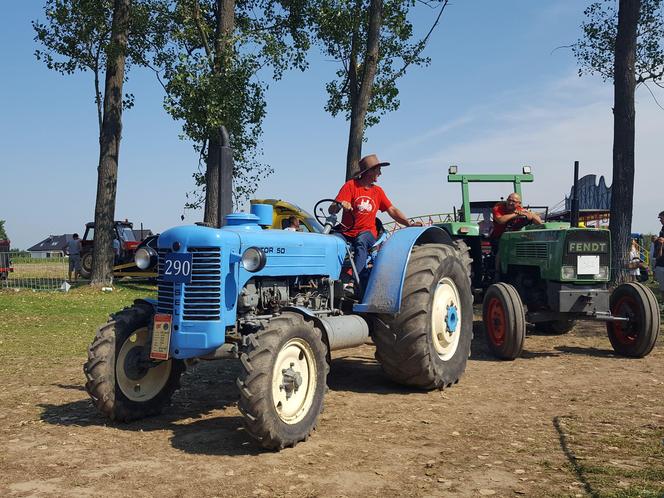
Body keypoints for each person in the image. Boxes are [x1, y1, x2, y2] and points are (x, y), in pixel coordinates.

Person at [330, 154, 421, 289]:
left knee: (361, 242)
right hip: (347, 232)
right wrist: (339, 204)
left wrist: (408, 224)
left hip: (367, 232)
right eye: (378, 170)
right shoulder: (350, 186)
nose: (380, 173)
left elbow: (392, 210)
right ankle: (328, 279)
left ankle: (353, 282)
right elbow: (332, 209)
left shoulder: (378, 192)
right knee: (331, 242)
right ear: (369, 171)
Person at [653, 211, 664, 302]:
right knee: (662, 288)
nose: (660, 220)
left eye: (661, 218)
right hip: (661, 263)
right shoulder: (662, 230)